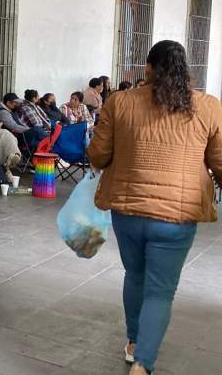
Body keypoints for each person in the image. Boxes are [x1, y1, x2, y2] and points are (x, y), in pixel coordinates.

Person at [88, 40, 222, 375]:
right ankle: (142, 365)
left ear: (148, 68)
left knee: (135, 275)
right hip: (177, 217)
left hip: (128, 210)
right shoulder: (208, 107)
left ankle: (134, 342)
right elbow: (220, 162)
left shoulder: (119, 102)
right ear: (185, 71)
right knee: (161, 291)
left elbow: (98, 156)